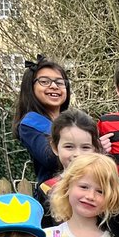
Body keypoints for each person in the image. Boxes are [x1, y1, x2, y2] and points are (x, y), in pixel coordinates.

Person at [35, 110, 106, 226]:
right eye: (69, 147)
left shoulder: (105, 184)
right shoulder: (48, 188)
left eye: (85, 147)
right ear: (55, 147)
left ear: (96, 148)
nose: (77, 154)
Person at [14, 56, 74, 185]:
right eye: (45, 81)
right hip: (54, 195)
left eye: (59, 82)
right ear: (31, 87)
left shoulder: (72, 120)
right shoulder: (30, 123)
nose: (54, 86)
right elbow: (51, 159)